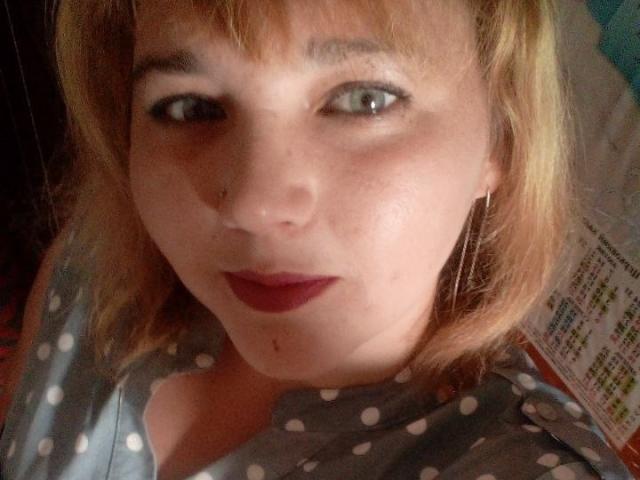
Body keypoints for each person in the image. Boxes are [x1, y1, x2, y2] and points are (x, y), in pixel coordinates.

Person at [0, 0, 633, 479]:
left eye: (364, 99)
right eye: (189, 106)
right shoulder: (91, 267)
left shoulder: (519, 464)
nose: (252, 205)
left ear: (501, 135)